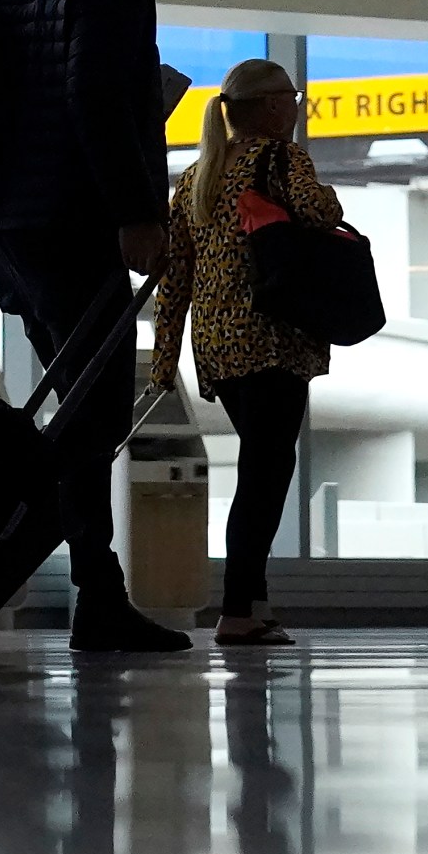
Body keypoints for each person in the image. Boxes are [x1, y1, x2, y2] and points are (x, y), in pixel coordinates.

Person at [0, 0, 191, 652]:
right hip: (76, 229)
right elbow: (98, 99)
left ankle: (89, 586)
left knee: (78, 414)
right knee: (93, 420)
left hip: (11, 229)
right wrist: (140, 213)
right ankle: (84, 589)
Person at [151, 60, 334, 647]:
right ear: (272, 106)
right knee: (266, 471)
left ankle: (248, 603)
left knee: (261, 465)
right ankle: (238, 608)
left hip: (216, 342)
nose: (297, 105)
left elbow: (173, 277)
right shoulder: (281, 159)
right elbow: (322, 213)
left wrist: (163, 360)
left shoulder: (196, 175)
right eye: (292, 96)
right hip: (272, 335)